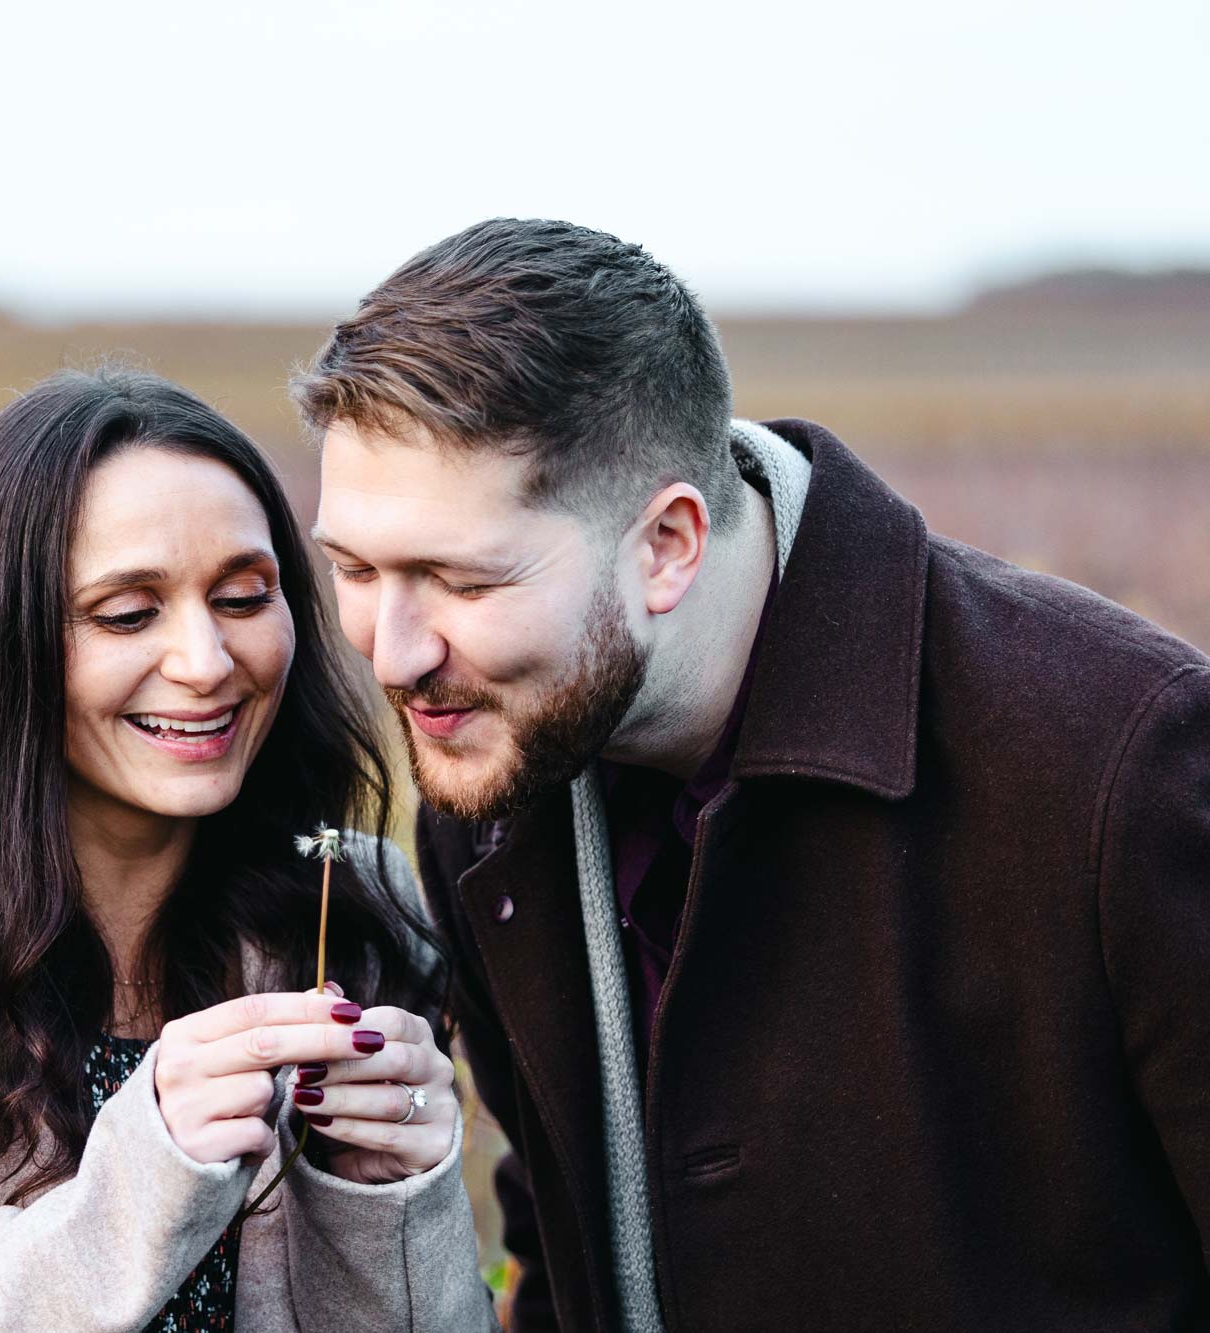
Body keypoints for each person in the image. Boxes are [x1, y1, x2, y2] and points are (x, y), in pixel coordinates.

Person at [296, 218, 1210, 1331]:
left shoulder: (1116, 758)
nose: (390, 652)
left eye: (461, 581)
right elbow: (557, 1266)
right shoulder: (486, 786)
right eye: (351, 567)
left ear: (669, 543)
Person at [0, 369, 498, 1331]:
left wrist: (389, 1195)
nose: (206, 662)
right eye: (128, 614)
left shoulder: (352, 896)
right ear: (4, 639)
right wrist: (148, 1172)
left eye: (244, 596)